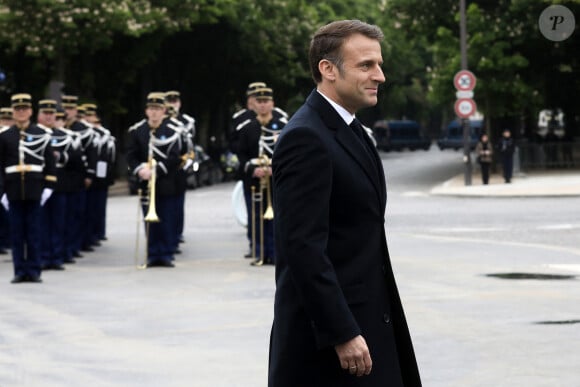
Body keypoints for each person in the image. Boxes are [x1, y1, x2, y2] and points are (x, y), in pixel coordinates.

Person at [269, 20, 421, 386]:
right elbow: (302, 249)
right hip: (330, 346)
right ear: (328, 69)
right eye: (366, 65)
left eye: (379, 64)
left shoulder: (350, 129)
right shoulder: (306, 137)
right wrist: (341, 333)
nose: (379, 75)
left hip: (367, 323)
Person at [0, 93, 57, 283]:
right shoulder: (5, 136)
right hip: (13, 190)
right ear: (13, 112)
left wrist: (48, 187)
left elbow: (50, 163)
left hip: (35, 190)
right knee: (17, 233)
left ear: (31, 111)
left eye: (24, 109)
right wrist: (2, 193)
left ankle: (34, 269)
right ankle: (19, 270)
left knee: (33, 232)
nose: (21, 112)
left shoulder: (41, 134)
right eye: (18, 109)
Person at [126, 92, 181, 268]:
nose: (154, 112)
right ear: (146, 111)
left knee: (166, 218)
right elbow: (131, 155)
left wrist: (156, 170)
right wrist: (140, 170)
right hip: (145, 181)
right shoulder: (138, 131)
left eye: (158, 109)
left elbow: (174, 157)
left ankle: (165, 254)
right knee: (149, 221)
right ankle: (152, 253)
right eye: (151, 109)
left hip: (165, 182)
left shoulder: (171, 131)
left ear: (164, 111)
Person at [236, 87, 286, 266]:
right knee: (256, 217)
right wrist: (251, 168)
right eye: (260, 102)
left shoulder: (283, 126)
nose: (263, 105)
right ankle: (260, 253)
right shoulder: (247, 128)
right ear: (254, 105)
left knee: (277, 218)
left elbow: (288, 153)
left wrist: (276, 167)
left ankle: (276, 253)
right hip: (254, 180)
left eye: (266, 102)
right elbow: (240, 156)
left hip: (276, 179)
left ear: (272, 104)